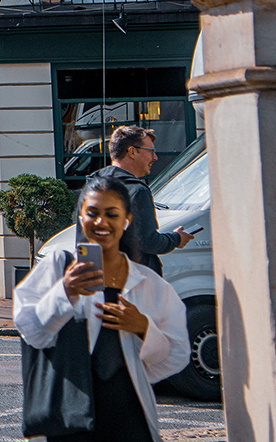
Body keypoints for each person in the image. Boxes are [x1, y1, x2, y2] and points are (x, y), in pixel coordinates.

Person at [14, 174, 189, 441]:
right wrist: (65, 292)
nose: (101, 222)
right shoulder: (58, 266)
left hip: (129, 417)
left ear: (127, 220)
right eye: (92, 213)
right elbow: (31, 330)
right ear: (80, 216)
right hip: (68, 416)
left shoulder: (149, 283)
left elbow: (176, 355)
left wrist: (143, 328)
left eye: (112, 214)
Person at [92, 126, 193, 276]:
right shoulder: (136, 191)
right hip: (133, 283)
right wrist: (176, 238)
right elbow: (148, 242)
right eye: (151, 151)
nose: (155, 158)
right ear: (132, 152)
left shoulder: (91, 187)